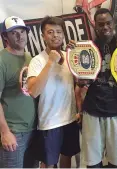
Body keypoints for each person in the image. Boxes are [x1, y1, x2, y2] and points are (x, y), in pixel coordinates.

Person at [74, 8, 117, 168]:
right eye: (100, 24)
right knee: (93, 162)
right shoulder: (86, 48)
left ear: (114, 23)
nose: (105, 27)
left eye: (108, 23)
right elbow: (79, 83)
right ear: (95, 26)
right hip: (92, 111)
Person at [27, 16, 80, 168]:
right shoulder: (37, 60)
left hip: (70, 119)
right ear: (43, 36)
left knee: (66, 159)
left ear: (63, 35)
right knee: (48, 164)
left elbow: (79, 85)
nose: (55, 35)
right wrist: (50, 62)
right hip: (49, 123)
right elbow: (33, 91)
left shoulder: (70, 57)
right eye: (50, 32)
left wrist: (77, 55)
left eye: (58, 32)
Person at [0, 16, 38, 168]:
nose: (20, 36)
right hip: (14, 132)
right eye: (14, 33)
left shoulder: (29, 57)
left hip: (33, 130)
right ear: (5, 36)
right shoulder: (2, 61)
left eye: (22, 31)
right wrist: (5, 133)